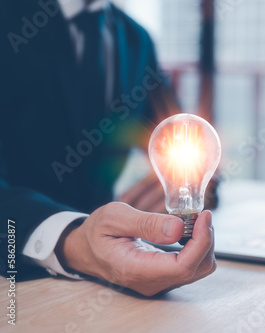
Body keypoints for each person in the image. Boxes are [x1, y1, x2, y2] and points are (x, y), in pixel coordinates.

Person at [0, 0, 216, 296]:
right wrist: (71, 238)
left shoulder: (135, 39)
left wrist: (195, 186)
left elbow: (184, 134)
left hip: (109, 279)